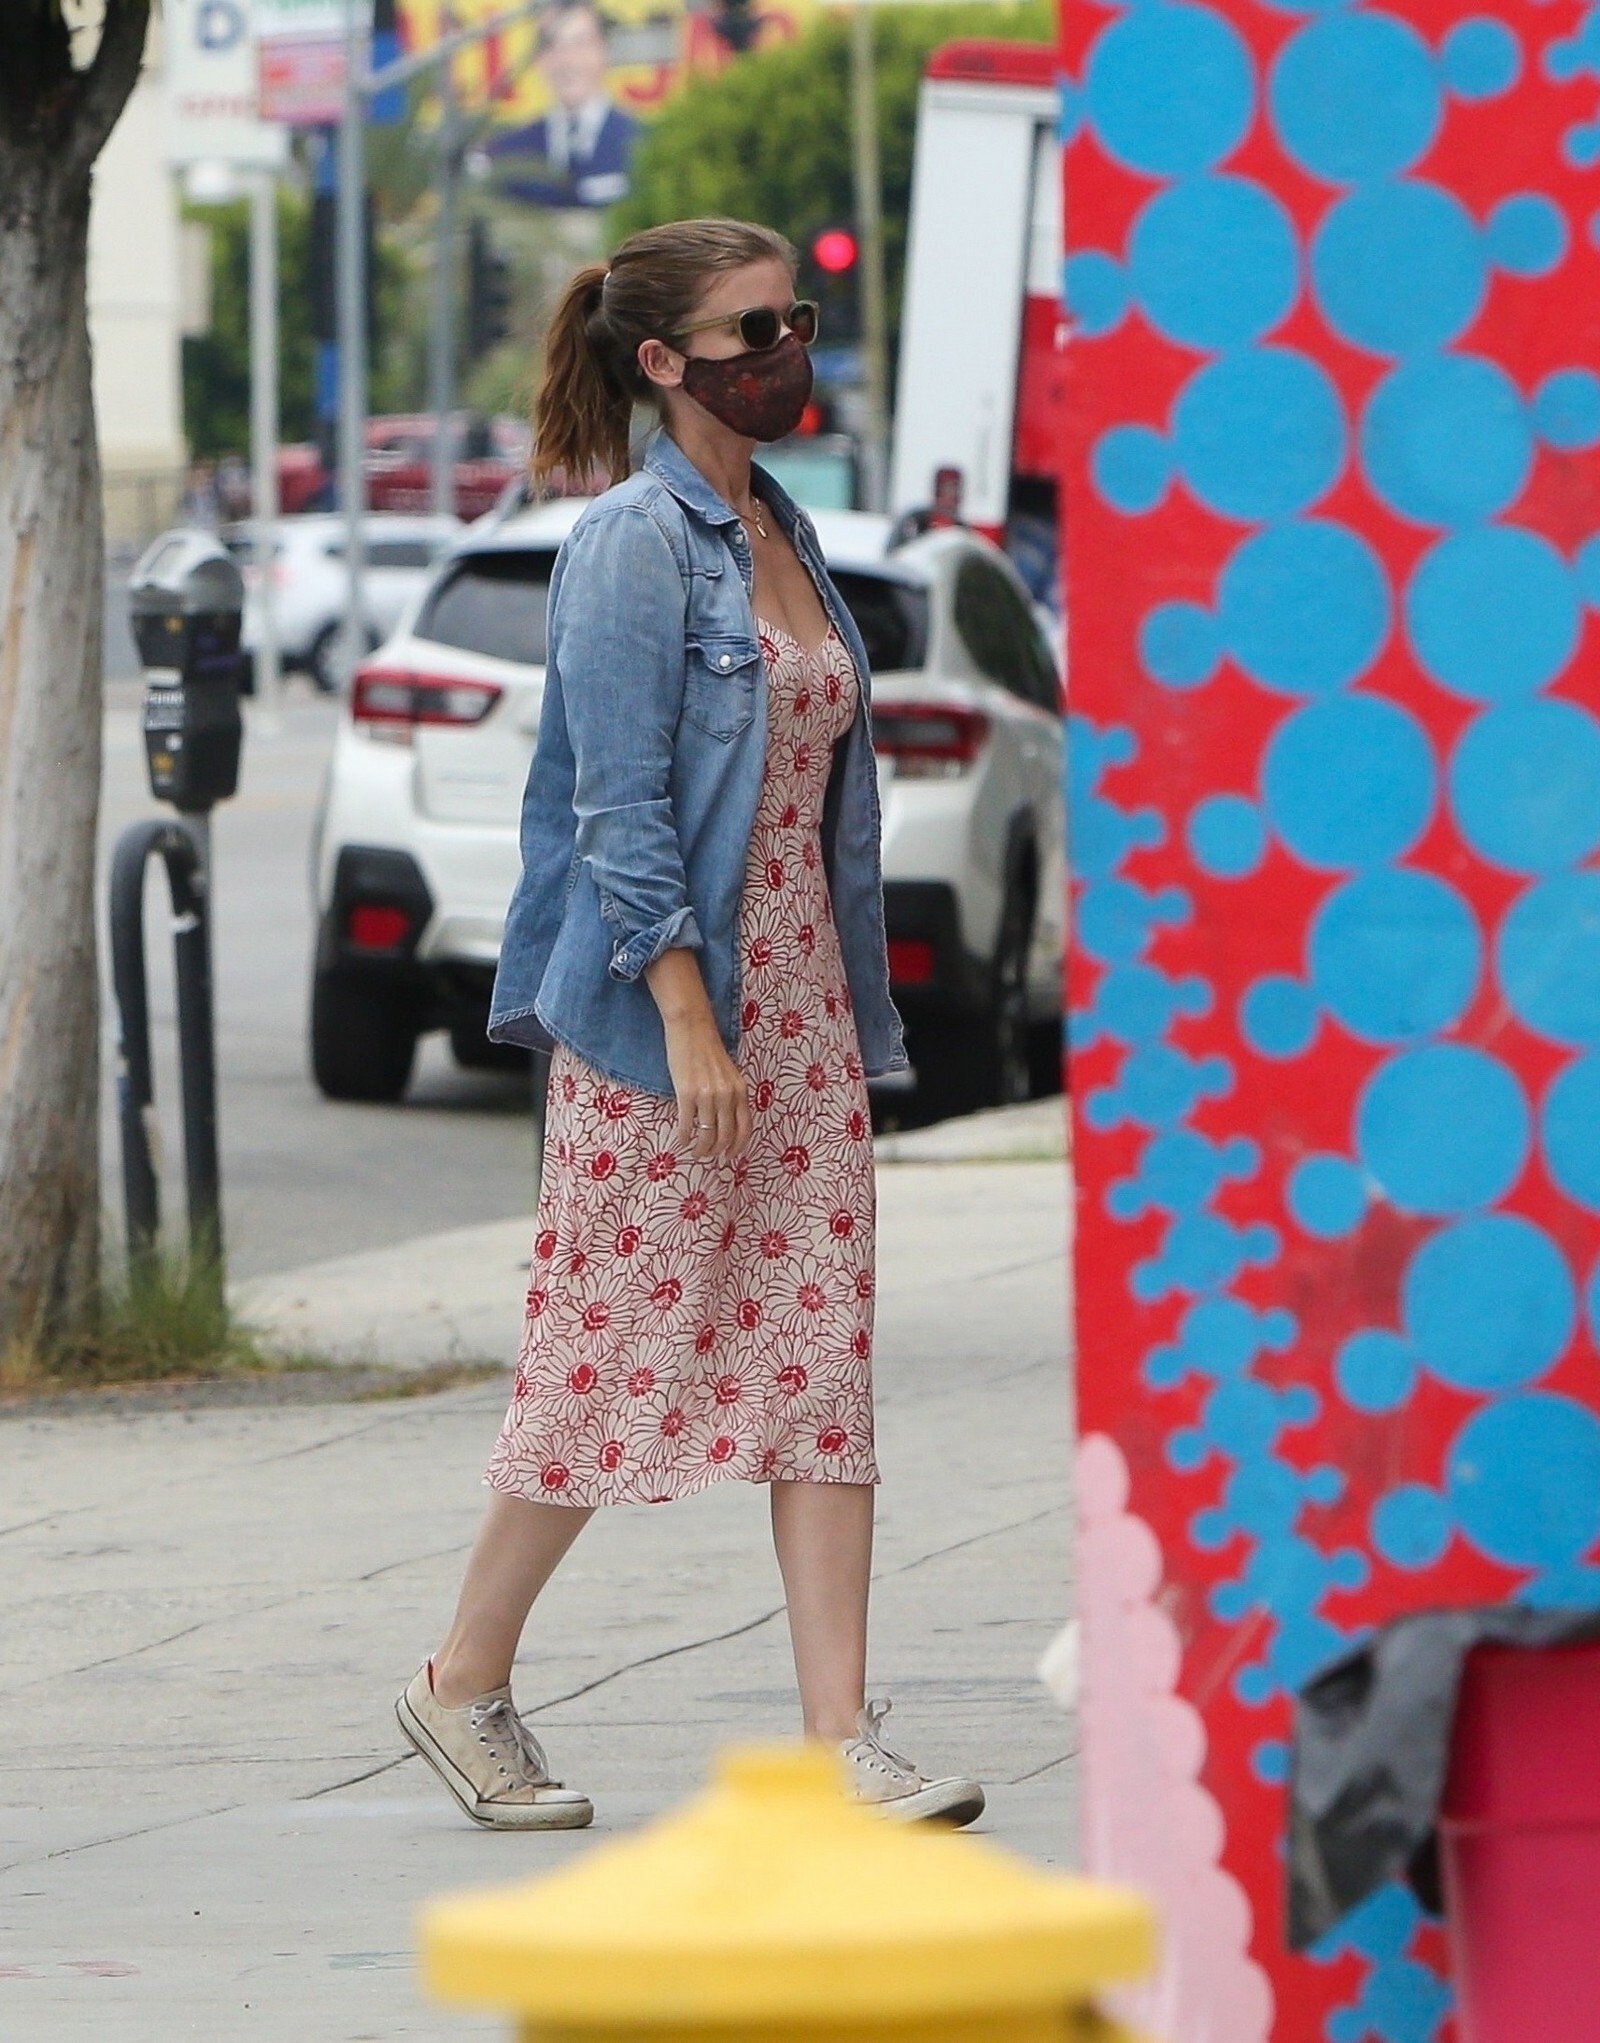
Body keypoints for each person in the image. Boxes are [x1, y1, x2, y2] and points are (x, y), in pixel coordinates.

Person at [395, 217, 986, 1833]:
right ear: (663, 361)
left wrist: (804, 1015)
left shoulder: (781, 524)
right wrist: (685, 1015)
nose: (788, 349)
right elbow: (620, 803)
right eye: (752, 329)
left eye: (797, 316)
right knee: (608, 1355)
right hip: (672, 1026)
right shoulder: (630, 544)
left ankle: (842, 1738)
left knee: (821, 1360)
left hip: (804, 1011)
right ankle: (461, 1677)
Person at [490, 0, 639, 210]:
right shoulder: (509, 153)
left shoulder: (643, 144)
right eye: (552, 45)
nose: (567, 60)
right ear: (538, 58)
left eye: (579, 43)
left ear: (604, 50)